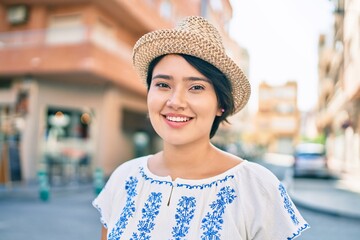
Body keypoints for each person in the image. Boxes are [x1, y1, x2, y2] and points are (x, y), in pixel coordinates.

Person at [93, 16, 310, 240]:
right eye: (163, 85)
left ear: (221, 105)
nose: (175, 101)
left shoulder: (256, 187)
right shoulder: (123, 178)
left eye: (196, 87)